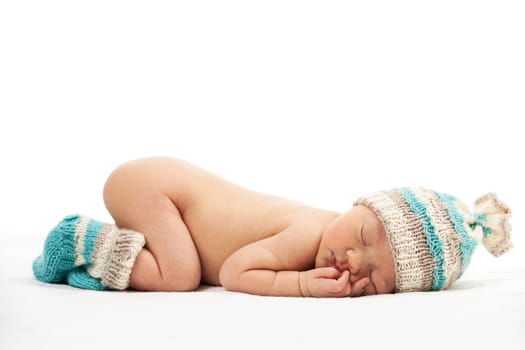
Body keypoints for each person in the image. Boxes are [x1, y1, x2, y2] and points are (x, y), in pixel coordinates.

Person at [32, 156, 513, 297]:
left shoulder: (331, 238)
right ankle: (77, 240)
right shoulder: (307, 233)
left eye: (376, 280)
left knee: (178, 268)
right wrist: (300, 285)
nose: (353, 262)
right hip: (156, 188)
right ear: (356, 205)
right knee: (178, 276)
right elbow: (237, 272)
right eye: (365, 238)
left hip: (162, 196)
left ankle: (104, 255)